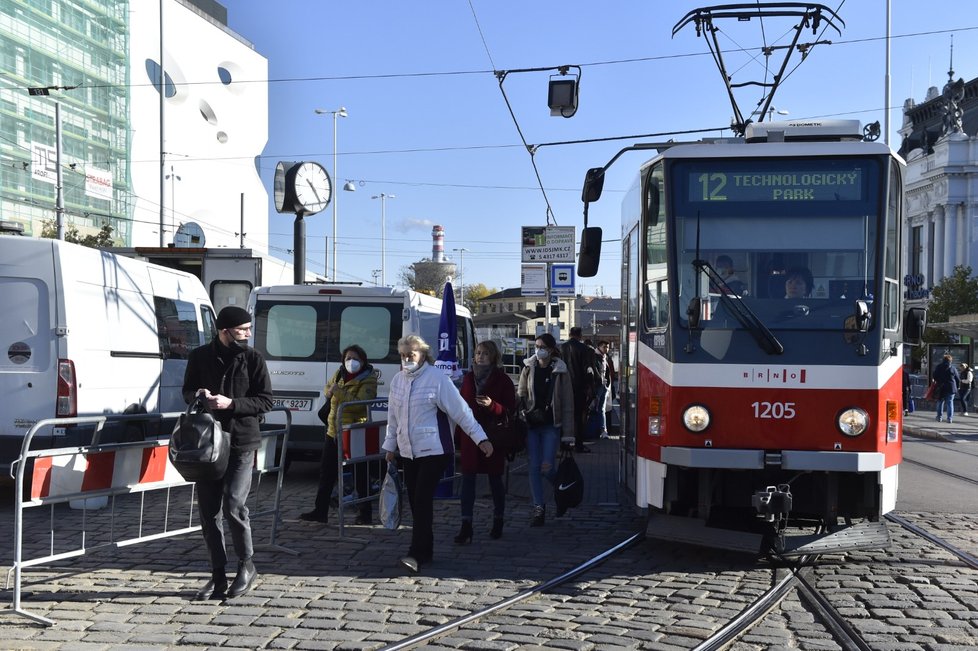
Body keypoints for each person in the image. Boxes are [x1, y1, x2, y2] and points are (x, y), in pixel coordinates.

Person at [182, 305, 273, 601]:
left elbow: (265, 401)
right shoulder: (199, 356)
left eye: (248, 329)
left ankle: (246, 566)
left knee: (234, 503)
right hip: (207, 443)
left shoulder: (253, 358)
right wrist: (199, 395)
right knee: (209, 513)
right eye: (242, 330)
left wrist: (232, 403)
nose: (247, 334)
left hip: (242, 441)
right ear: (224, 331)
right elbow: (187, 390)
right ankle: (217, 575)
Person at [382, 334, 493, 573]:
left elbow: (461, 411)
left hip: (435, 449)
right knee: (415, 500)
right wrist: (390, 446)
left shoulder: (436, 379)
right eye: (403, 355)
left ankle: (417, 553)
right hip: (409, 451)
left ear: (422, 354)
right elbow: (393, 417)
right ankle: (427, 548)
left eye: (410, 355)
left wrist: (480, 438)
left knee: (422, 498)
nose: (406, 359)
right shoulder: (398, 381)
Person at [300, 344, 378, 525]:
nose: (351, 362)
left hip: (354, 431)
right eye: (348, 358)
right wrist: (330, 391)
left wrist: (338, 392)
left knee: (360, 474)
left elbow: (360, 403)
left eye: (356, 359)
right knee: (326, 473)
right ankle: (320, 511)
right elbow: (329, 387)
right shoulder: (339, 373)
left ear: (363, 360)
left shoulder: (368, 378)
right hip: (334, 430)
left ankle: (365, 514)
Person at [454, 340, 516, 544]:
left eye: (485, 354)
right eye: (478, 353)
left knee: (495, 480)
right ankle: (466, 525)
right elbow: (461, 408)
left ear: (494, 357)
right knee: (468, 480)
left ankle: (498, 519)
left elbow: (509, 411)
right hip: (471, 437)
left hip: (493, 436)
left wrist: (493, 406)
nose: (480, 356)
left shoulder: (503, 380)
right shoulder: (469, 378)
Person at [518, 333, 576, 526]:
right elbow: (522, 392)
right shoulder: (529, 367)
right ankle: (539, 507)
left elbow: (568, 404)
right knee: (534, 467)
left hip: (552, 424)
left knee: (547, 467)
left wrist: (569, 435)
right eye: (536, 346)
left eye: (542, 346)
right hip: (532, 425)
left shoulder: (560, 370)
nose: (538, 350)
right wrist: (523, 410)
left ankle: (562, 492)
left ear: (551, 349)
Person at [560, 326, 597, 453]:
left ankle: (564, 444)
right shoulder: (584, 349)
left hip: (563, 386)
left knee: (563, 415)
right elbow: (588, 370)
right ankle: (578, 444)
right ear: (580, 335)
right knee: (579, 416)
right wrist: (590, 387)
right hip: (579, 386)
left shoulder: (562, 348)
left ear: (570, 334)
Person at [594, 340, 615, 439]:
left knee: (601, 409)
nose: (606, 349)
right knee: (599, 408)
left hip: (604, 385)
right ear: (598, 347)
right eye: (604, 347)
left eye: (607, 347)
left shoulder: (605, 357)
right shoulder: (596, 357)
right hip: (598, 385)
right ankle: (601, 430)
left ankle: (602, 430)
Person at [932, 354, 960, 423]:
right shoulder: (953, 368)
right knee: (950, 403)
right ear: (950, 361)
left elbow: (934, 376)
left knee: (940, 402)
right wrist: (958, 386)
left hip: (941, 387)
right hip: (951, 388)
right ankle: (949, 418)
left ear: (943, 360)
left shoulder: (939, 367)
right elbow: (957, 378)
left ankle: (939, 417)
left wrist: (939, 381)